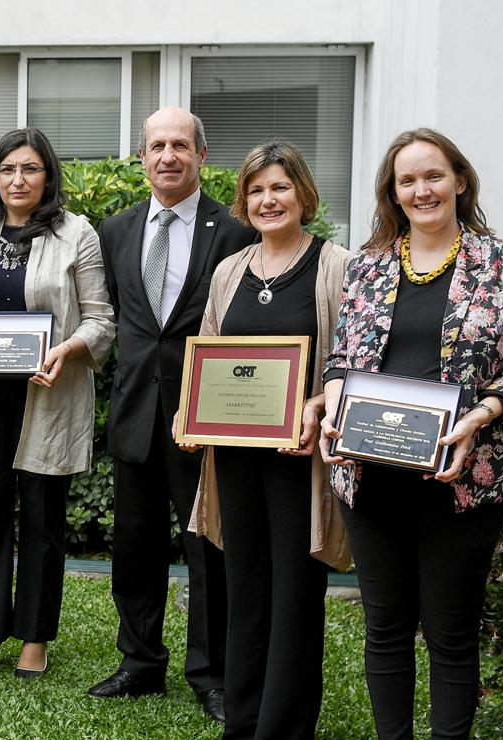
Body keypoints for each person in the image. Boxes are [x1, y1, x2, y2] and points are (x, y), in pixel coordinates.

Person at [319, 128, 503, 740]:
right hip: (372, 468)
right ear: (393, 193)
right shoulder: (367, 267)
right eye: (407, 181)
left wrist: (480, 415)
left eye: (433, 176)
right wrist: (335, 395)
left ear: (459, 180)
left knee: (450, 632)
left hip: (464, 476)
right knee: (385, 627)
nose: (422, 190)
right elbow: (343, 357)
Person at [182, 139, 353, 740]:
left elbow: (353, 363)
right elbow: (207, 355)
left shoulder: (338, 266)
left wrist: (316, 403)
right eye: (256, 190)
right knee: (244, 584)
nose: (267, 199)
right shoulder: (230, 270)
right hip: (232, 455)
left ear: (303, 194)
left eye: (279, 187)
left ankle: (282, 725)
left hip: (300, 459)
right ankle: (243, 719)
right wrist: (189, 417)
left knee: (295, 590)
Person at [0, 127, 117, 678]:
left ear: (48, 176)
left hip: (47, 395)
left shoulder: (75, 233)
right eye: (8, 168)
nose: (18, 179)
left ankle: (34, 637)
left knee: (41, 520)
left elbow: (101, 317)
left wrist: (67, 348)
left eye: (30, 168)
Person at [93, 106, 257, 721]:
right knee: (134, 545)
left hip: (206, 416)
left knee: (207, 548)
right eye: (156, 146)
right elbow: (116, 318)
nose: (168, 156)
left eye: (180, 146)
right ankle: (139, 663)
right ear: (141, 157)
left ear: (200, 155)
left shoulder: (234, 232)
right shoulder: (115, 230)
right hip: (136, 410)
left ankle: (211, 674)